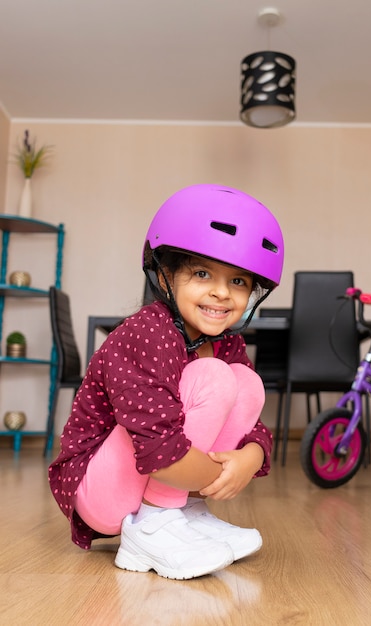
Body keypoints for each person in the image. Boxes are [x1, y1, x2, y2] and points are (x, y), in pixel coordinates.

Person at [49, 183, 284, 580]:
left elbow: (252, 424)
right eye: (202, 273)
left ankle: (179, 513)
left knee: (246, 382)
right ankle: (153, 526)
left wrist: (250, 458)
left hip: (153, 477)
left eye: (239, 282)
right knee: (213, 377)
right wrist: (218, 476)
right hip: (99, 489)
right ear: (166, 273)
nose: (221, 293)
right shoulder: (148, 332)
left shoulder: (228, 342)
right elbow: (158, 446)